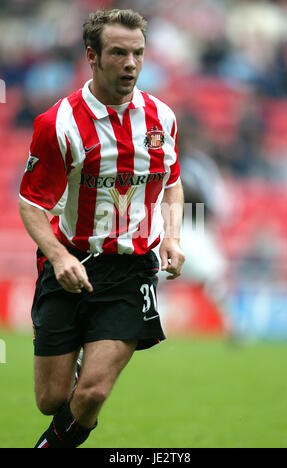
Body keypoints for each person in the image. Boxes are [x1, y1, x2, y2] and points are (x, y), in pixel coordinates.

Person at [18, 8, 185, 448]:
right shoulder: (59, 124)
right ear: (92, 56)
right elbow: (31, 204)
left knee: (91, 392)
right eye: (118, 53)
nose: (130, 63)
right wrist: (58, 256)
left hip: (132, 271)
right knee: (51, 398)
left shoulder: (161, 118)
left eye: (138, 53)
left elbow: (172, 182)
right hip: (71, 264)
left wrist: (171, 235)